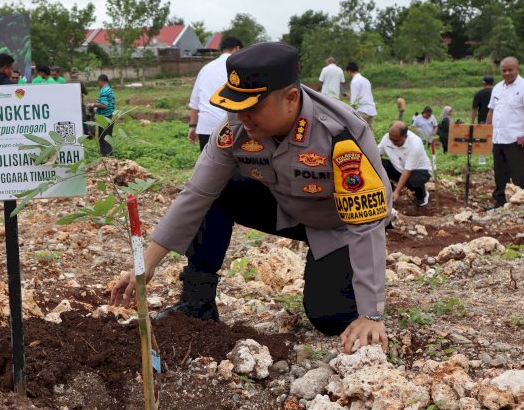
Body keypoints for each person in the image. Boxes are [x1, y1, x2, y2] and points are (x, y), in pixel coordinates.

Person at [110, 42, 392, 354]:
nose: (242, 116)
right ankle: (196, 303)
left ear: (290, 99)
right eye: (235, 105)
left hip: (338, 225)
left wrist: (371, 313)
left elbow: (367, 223)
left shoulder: (341, 133)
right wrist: (144, 265)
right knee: (217, 191)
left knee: (330, 317)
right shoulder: (236, 127)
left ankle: (335, 271)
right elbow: (196, 194)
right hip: (285, 208)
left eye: (252, 107)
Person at [188, 37, 244, 152]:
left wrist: (193, 126)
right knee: (235, 166)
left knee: (208, 166)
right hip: (233, 128)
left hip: (206, 127)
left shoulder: (205, 69)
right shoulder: (239, 68)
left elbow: (195, 102)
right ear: (238, 48)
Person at [486, 57, 524, 209]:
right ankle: (500, 202)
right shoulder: (497, 88)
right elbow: (491, 111)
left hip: (516, 139)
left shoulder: (522, 87)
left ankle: (520, 203)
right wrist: (486, 133)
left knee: (519, 173)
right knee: (500, 173)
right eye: (504, 70)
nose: (507, 73)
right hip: (498, 138)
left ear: (518, 69)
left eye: (510, 70)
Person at [378, 121, 432, 207]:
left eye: (395, 140)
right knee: (377, 164)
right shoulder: (387, 138)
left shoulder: (415, 144)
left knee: (413, 182)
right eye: (390, 138)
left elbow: (407, 171)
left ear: (405, 136)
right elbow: (376, 154)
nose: (391, 142)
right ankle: (390, 188)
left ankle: (422, 195)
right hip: (398, 168)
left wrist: (397, 192)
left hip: (419, 170)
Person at [88, 74, 115, 156]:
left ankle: (105, 157)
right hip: (110, 116)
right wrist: (96, 109)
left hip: (104, 118)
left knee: (103, 138)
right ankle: (110, 155)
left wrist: (93, 105)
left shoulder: (104, 90)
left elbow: (104, 105)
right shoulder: (109, 89)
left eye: (98, 82)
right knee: (108, 138)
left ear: (100, 81)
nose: (98, 84)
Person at [345, 62, 377, 131]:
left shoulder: (354, 81)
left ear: (349, 71)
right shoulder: (366, 80)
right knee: (369, 134)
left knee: (359, 133)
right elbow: (364, 95)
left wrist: (350, 112)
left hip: (362, 111)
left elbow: (354, 102)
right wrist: (350, 97)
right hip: (371, 109)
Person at [68, 67, 89, 136]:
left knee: (71, 118)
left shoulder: (66, 82)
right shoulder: (81, 81)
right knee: (83, 118)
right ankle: (86, 132)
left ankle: (73, 133)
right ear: (77, 74)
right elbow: (86, 92)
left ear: (70, 74)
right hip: (79, 103)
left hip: (70, 104)